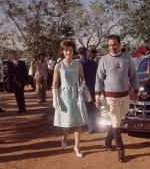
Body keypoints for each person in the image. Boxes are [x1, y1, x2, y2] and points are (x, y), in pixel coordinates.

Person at [95, 35, 139, 163]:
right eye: (109, 45)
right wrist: (97, 95)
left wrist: (136, 91)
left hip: (124, 96)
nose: (112, 47)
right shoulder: (103, 60)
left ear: (119, 44)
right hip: (110, 97)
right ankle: (121, 150)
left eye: (114, 44)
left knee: (118, 121)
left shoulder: (127, 58)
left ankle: (108, 141)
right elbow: (99, 78)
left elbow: (133, 76)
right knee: (115, 120)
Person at [52, 40, 89, 158]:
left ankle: (77, 147)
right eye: (66, 50)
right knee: (67, 123)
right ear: (62, 52)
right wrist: (55, 99)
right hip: (64, 96)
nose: (68, 52)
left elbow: (82, 78)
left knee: (78, 122)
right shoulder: (58, 65)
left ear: (73, 51)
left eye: (71, 50)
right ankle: (65, 135)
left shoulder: (78, 64)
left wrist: (82, 86)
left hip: (77, 95)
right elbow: (55, 83)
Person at [78, 47, 97, 134]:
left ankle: (91, 127)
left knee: (87, 108)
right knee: (93, 107)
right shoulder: (93, 62)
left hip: (84, 88)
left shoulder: (78, 63)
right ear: (86, 53)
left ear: (78, 54)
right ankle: (94, 124)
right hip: (93, 86)